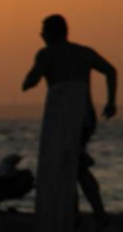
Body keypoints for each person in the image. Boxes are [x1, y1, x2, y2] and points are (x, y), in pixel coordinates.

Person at [22, 14, 116, 232]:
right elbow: (110, 71)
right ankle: (75, 215)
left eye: (44, 31)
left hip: (67, 119)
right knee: (71, 165)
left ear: (52, 33)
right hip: (85, 117)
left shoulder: (46, 54)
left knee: (73, 166)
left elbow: (32, 80)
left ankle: (96, 214)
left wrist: (28, 81)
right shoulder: (84, 52)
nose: (41, 35)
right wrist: (111, 102)